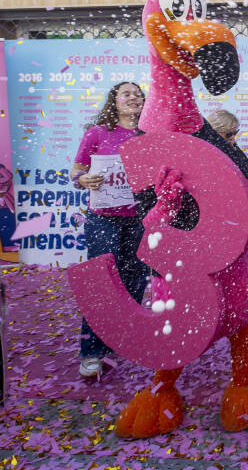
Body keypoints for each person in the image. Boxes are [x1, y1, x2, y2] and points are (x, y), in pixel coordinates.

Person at [70, 82, 150, 377]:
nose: (133, 98)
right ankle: (92, 351)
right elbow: (76, 171)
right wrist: (83, 179)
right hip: (103, 217)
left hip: (139, 218)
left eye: (138, 94)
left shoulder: (149, 133)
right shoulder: (98, 133)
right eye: (126, 94)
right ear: (113, 102)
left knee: (135, 278)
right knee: (102, 281)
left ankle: (125, 337)